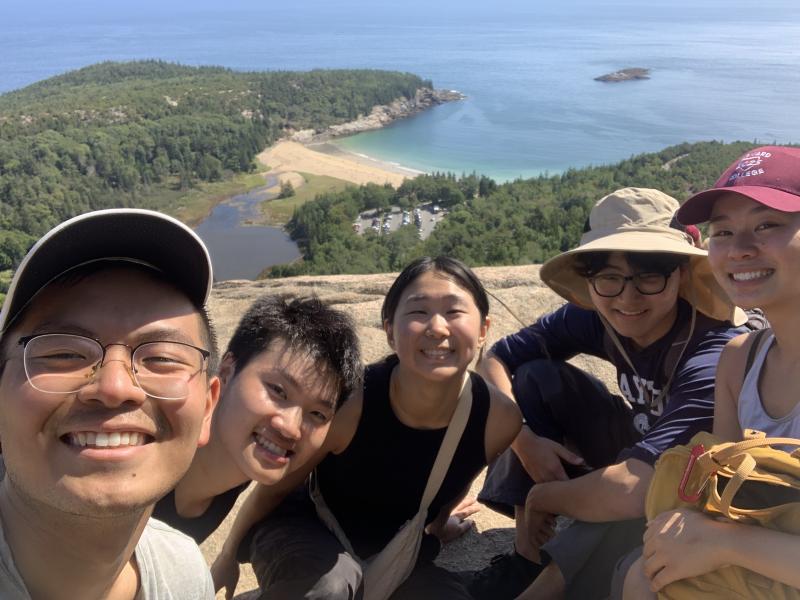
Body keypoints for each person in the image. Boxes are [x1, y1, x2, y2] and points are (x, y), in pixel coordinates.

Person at [467, 187, 749, 600]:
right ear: (590, 280)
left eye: (649, 276)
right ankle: (526, 554)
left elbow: (634, 489)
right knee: (534, 378)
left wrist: (546, 495)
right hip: (633, 443)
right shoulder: (597, 315)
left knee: (633, 505)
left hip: (683, 478)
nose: (627, 298)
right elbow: (495, 360)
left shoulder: (715, 351)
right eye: (608, 278)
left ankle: (547, 581)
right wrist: (524, 439)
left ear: (682, 274)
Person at [212, 256, 522, 599]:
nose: (437, 327)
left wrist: (435, 526)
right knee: (332, 587)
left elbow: (455, 475)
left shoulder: (497, 419)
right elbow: (275, 489)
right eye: (418, 312)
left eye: (453, 311)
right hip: (305, 523)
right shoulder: (353, 402)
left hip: (394, 553)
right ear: (389, 331)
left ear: (483, 331)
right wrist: (227, 556)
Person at [0, 209, 219, 599]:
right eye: (64, 353)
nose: (116, 387)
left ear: (207, 409)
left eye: (162, 358)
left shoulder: (184, 574)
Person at [622, 145, 800, 597]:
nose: (739, 250)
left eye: (767, 224)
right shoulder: (739, 361)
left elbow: (724, 532)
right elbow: (719, 495)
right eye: (722, 231)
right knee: (641, 574)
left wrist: (726, 544)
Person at [152, 294, 362, 544]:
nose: (291, 428)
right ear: (227, 371)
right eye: (278, 391)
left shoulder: (240, 467)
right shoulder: (145, 467)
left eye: (317, 414)